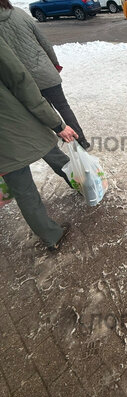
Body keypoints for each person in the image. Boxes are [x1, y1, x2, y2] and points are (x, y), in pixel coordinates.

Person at [0, 36, 78, 251]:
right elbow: (21, 81)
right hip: (16, 121)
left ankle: (50, 236)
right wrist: (57, 124)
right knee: (54, 154)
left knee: (23, 189)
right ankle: (85, 186)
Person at [0, 0, 90, 150]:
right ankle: (81, 141)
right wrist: (54, 64)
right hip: (44, 69)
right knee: (63, 106)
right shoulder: (19, 13)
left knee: (44, 111)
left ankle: (60, 138)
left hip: (22, 81)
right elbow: (44, 42)